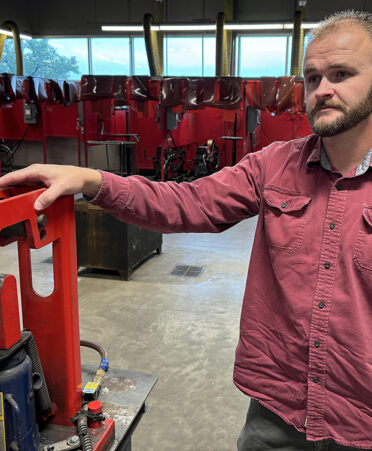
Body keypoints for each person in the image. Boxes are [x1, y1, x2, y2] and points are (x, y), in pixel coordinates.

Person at [1, 9, 372, 450]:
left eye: (342, 74)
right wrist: (92, 181)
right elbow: (187, 203)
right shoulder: (276, 165)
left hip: (360, 418)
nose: (323, 90)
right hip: (279, 411)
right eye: (312, 78)